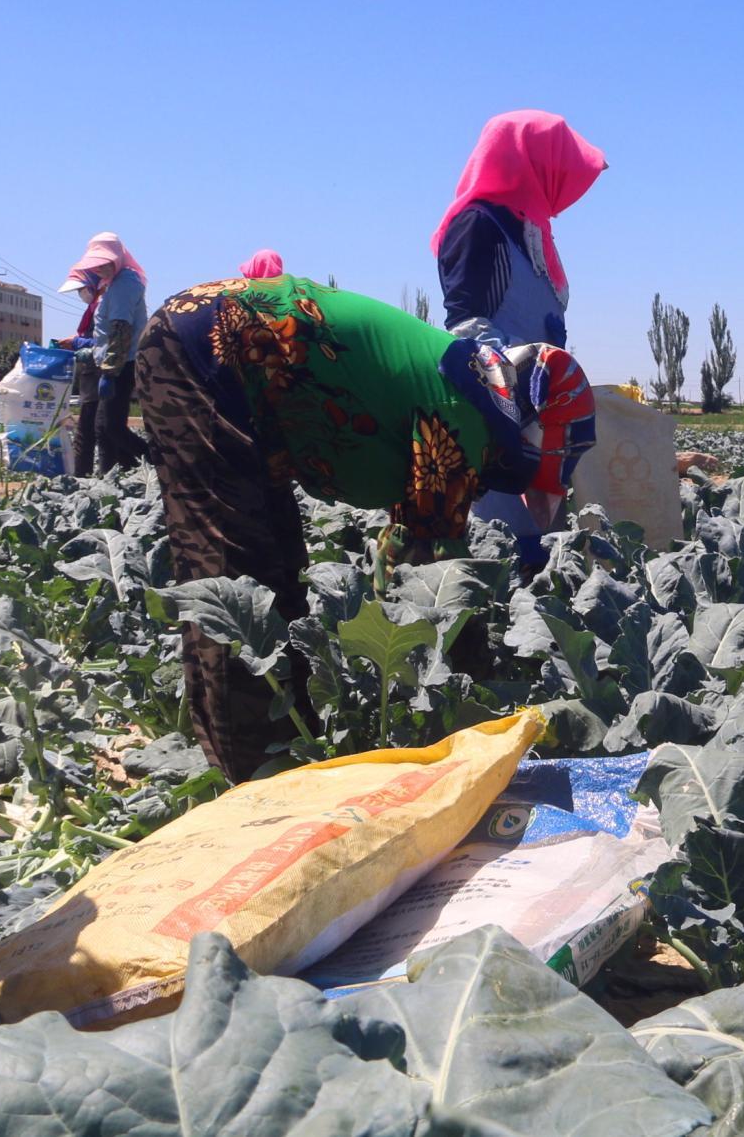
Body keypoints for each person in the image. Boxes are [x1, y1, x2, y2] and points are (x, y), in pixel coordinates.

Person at [138, 275, 595, 779]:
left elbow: (401, 548)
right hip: (204, 348)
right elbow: (431, 570)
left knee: (278, 569)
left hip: (237, 368)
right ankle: (254, 783)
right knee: (232, 568)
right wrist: (472, 696)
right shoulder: (459, 409)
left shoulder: (469, 386)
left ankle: (285, 750)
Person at [433, 110, 607, 567]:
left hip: (540, 407)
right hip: (500, 411)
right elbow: (466, 323)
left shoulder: (530, 230)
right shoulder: (478, 225)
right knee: (505, 545)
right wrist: (519, 398)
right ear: (531, 162)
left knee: (548, 552)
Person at [60, 232, 149, 475]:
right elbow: (105, 334)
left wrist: (109, 373)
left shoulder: (125, 283)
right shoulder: (115, 284)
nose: (100, 268)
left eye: (104, 263)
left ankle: (157, 466)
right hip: (115, 363)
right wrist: (89, 352)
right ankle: (122, 475)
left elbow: (121, 330)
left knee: (110, 427)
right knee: (105, 429)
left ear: (118, 259)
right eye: (95, 265)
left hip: (122, 364)